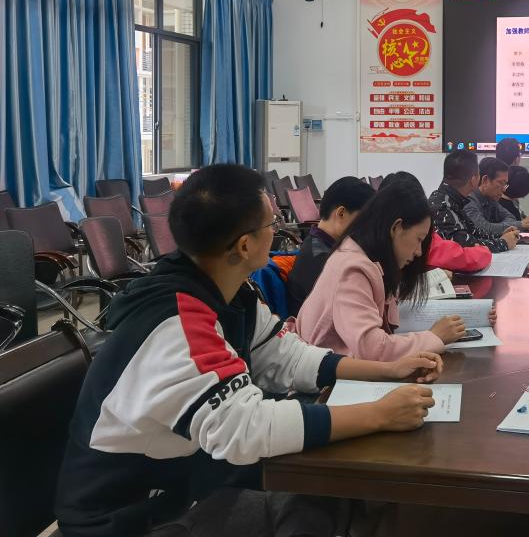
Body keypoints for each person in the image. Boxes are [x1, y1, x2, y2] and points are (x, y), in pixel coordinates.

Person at [55, 164, 441, 537]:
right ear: (245, 245)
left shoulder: (227, 291)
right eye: (272, 224)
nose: (278, 231)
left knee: (331, 494)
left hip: (186, 482)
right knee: (324, 497)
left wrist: (389, 370)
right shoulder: (177, 322)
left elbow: (286, 356)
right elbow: (245, 428)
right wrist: (379, 414)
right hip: (133, 517)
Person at [297, 180, 494, 359]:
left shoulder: (367, 259)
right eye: (418, 239)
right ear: (396, 228)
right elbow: (372, 349)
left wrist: (475, 315)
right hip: (328, 379)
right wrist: (434, 337)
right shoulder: (353, 269)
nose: (418, 252)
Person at [286, 175, 374, 316]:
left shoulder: (321, 246)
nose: (366, 228)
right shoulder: (320, 259)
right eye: (363, 220)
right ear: (341, 214)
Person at [380, 170, 491, 273]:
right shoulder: (441, 206)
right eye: (419, 239)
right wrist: (484, 251)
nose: (419, 251)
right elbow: (454, 255)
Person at [429, 150, 518, 253]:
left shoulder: (453, 200)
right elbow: (465, 244)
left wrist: (501, 235)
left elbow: (474, 232)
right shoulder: (444, 206)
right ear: (473, 180)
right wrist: (503, 243)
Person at [464, 157, 529, 235]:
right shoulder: (468, 201)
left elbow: (510, 218)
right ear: (485, 180)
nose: (504, 189)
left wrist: (497, 227)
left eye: (505, 184)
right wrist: (521, 224)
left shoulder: (491, 199)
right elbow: (483, 229)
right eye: (501, 183)